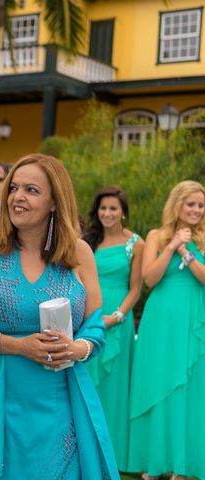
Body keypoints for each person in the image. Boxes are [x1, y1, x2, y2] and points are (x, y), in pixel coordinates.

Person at [0, 153, 119, 479]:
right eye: (14, 188)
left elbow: (94, 326)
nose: (18, 197)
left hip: (59, 398)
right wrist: (19, 346)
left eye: (32, 190)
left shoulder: (79, 253)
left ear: (54, 202)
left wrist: (78, 349)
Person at [128, 180, 205, 480]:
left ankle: (183, 466)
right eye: (191, 204)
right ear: (177, 205)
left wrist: (187, 252)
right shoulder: (156, 236)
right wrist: (172, 245)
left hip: (194, 317)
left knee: (188, 387)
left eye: (201, 205)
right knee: (160, 384)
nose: (197, 210)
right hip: (161, 319)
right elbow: (149, 279)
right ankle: (156, 461)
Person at [82, 186, 144, 469]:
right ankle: (87, 451)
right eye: (103, 208)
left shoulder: (136, 244)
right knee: (89, 385)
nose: (107, 214)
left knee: (115, 390)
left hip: (117, 322)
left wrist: (117, 316)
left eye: (113, 209)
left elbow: (136, 288)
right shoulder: (88, 242)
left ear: (123, 212)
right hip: (88, 318)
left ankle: (114, 456)